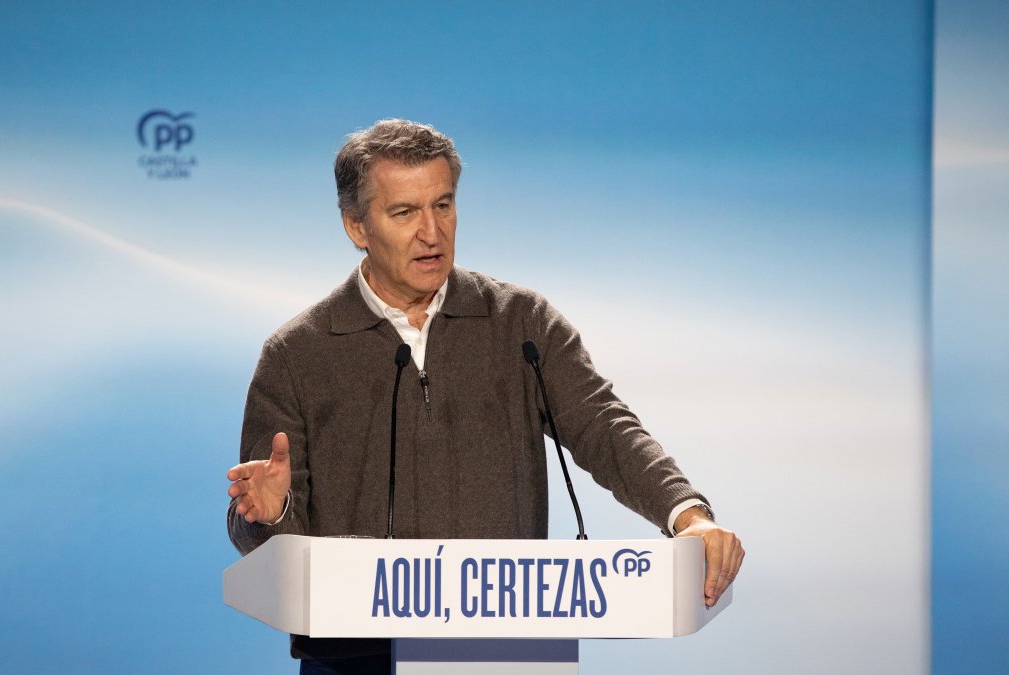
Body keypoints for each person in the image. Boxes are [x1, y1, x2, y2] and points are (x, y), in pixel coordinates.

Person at [226, 119, 744, 674]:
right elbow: (257, 527)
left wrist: (686, 514)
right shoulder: (297, 353)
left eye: (443, 205)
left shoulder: (521, 324)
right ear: (356, 225)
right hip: (355, 657)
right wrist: (271, 511)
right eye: (404, 213)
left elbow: (603, 426)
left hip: (508, 651)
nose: (432, 232)